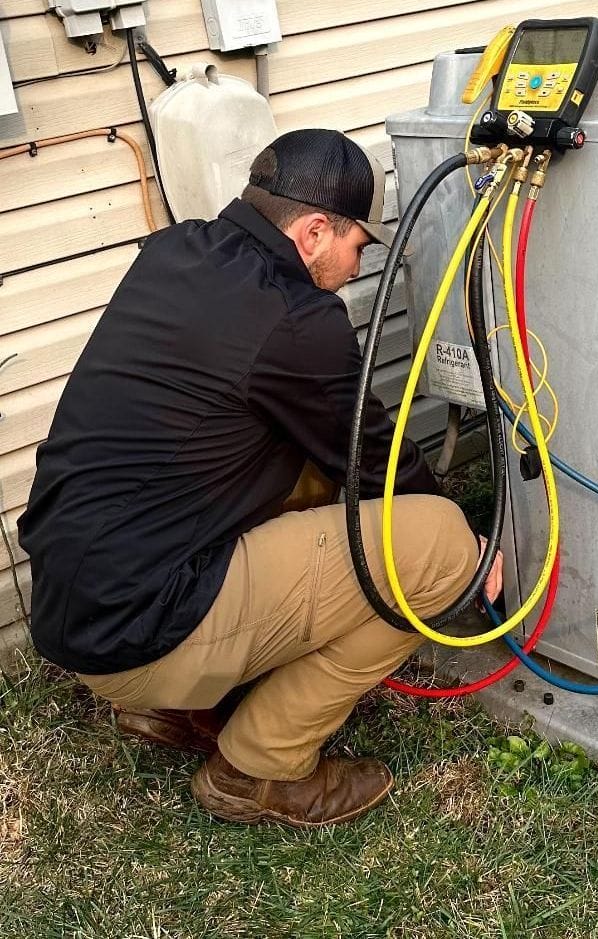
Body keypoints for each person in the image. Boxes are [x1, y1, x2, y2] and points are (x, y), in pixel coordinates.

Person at [17, 128, 502, 828]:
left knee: (294, 459)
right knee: (438, 545)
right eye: (358, 243)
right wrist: (470, 553)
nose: (360, 260)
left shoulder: (174, 252)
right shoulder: (298, 324)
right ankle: (261, 766)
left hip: (76, 598)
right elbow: (377, 460)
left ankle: (173, 706)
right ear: (312, 232)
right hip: (141, 625)